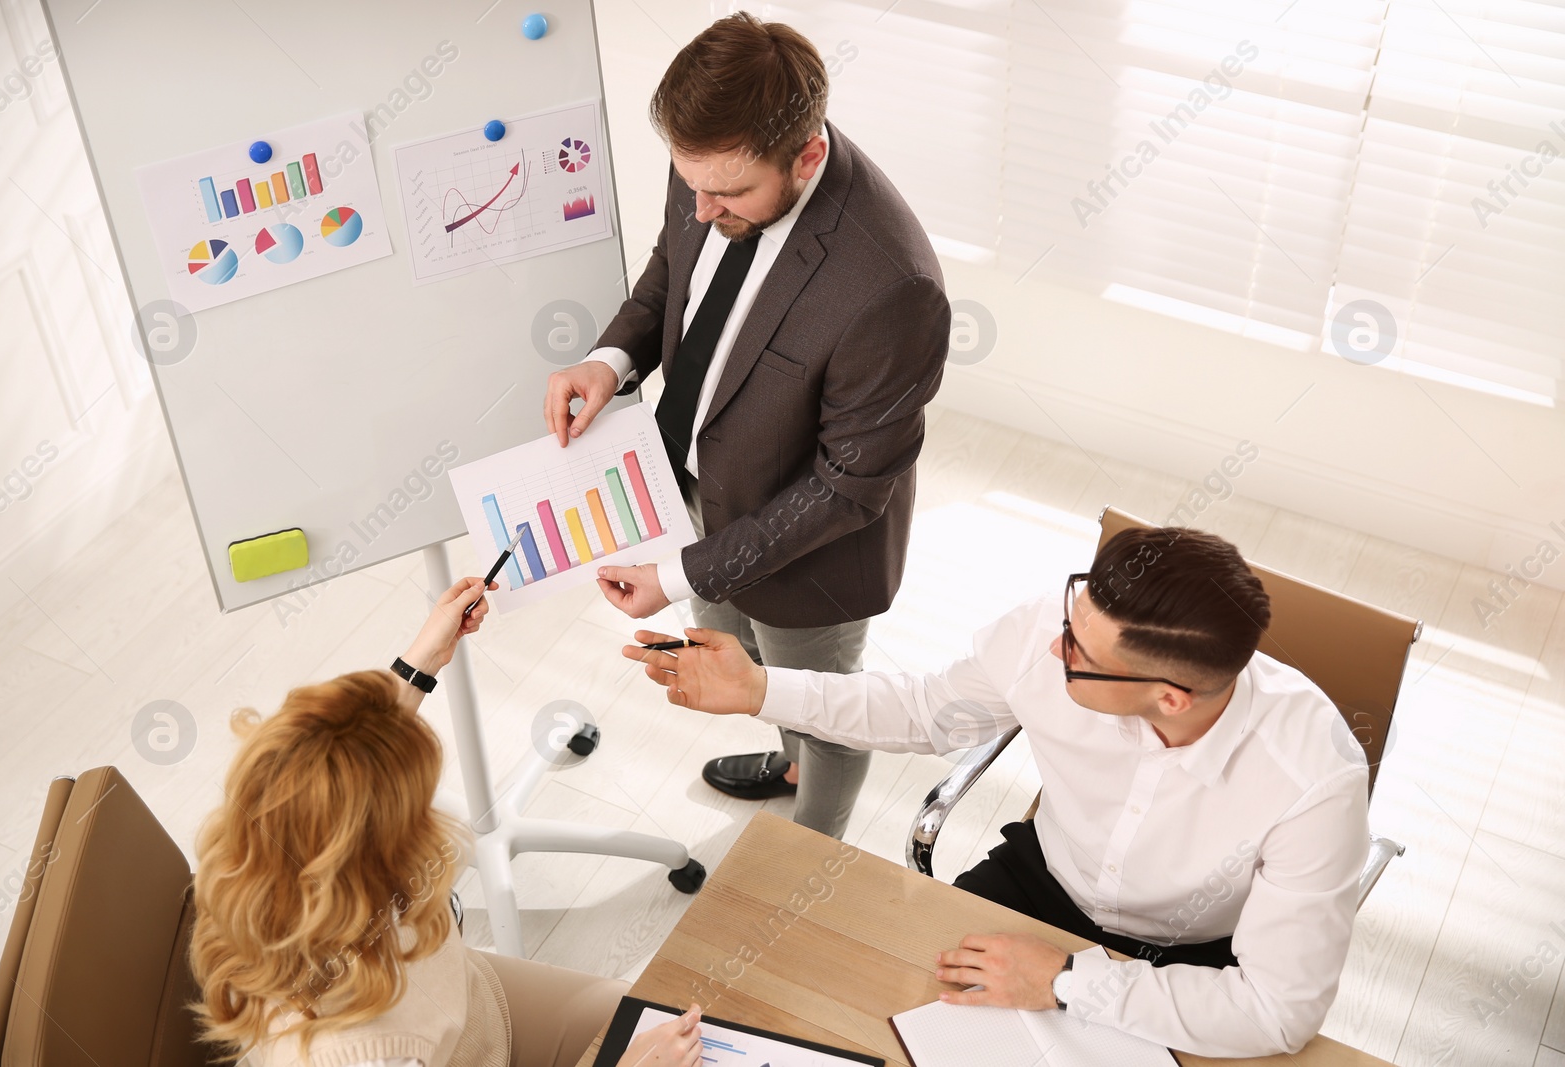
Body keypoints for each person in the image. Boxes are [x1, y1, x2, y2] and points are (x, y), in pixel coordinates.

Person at [620, 527, 1370, 1059]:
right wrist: (760, 687)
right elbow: (924, 710)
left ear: (1170, 697)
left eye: (1080, 653)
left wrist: (1070, 979)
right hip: (1040, 883)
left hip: (1192, 956)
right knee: (879, 1025)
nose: (1054, 647)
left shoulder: (1313, 780)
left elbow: (1278, 1011)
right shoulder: (1056, 623)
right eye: (1072, 615)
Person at [542, 13, 951, 841]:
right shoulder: (712, 162)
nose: (701, 206)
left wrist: (683, 570)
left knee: (823, 705)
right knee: (749, 664)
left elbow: (845, 489)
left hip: (812, 551)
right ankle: (789, 754)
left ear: (806, 155)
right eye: (691, 184)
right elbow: (674, 268)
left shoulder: (892, 285)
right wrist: (611, 358)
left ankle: (810, 840)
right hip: (701, 495)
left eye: (727, 194)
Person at [189, 576, 703, 1067]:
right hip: (445, 1040)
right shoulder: (361, 1051)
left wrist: (425, 656)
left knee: (648, 1017)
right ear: (382, 852)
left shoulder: (261, 849)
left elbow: (343, 766)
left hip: (477, 1007)